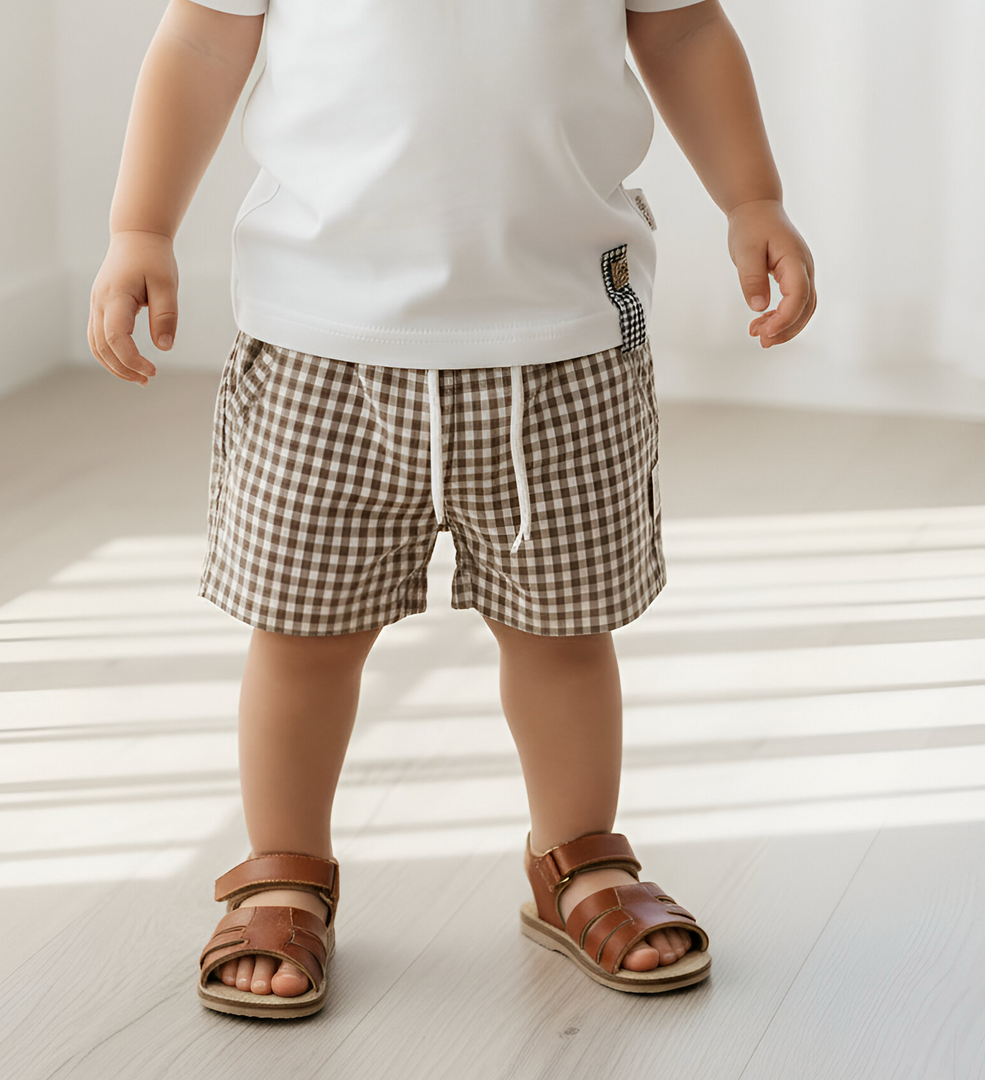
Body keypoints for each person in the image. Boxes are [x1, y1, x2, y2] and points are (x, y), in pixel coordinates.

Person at [88, 0, 815, 1019]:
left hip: (561, 338)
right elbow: (203, 37)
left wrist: (753, 198)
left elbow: (684, 29)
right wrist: (140, 225)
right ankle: (282, 872)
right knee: (302, 637)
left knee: (563, 632)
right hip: (320, 340)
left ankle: (576, 860)